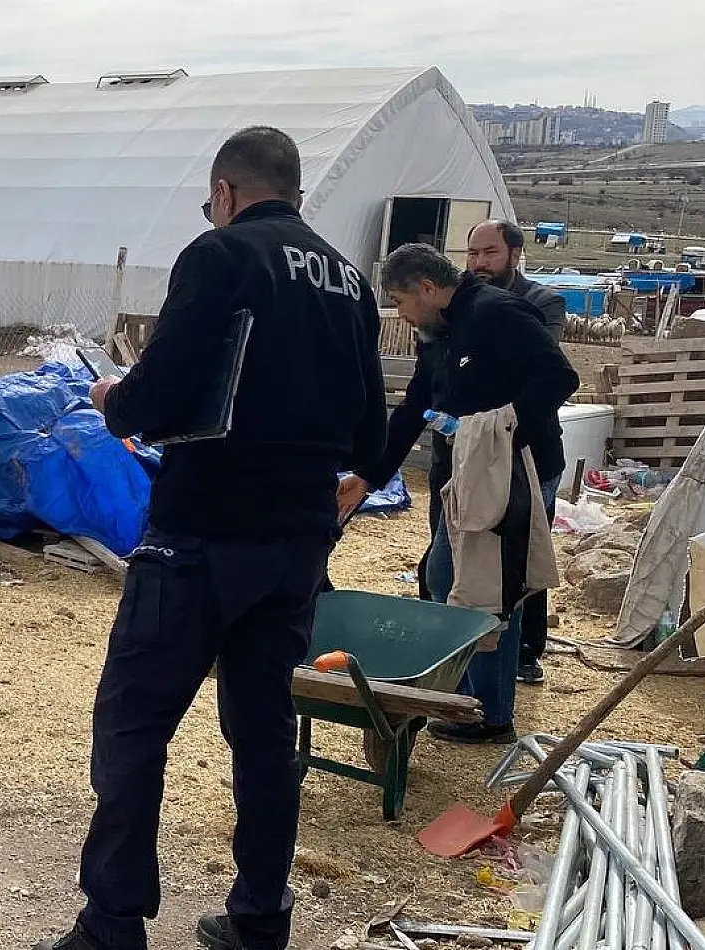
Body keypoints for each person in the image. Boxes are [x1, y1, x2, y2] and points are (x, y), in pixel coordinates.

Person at [36, 126, 387, 950]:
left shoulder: (222, 255)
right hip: (296, 543)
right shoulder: (349, 282)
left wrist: (114, 398)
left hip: (201, 533)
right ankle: (260, 917)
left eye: (210, 200)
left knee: (133, 723)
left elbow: (163, 394)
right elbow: (371, 427)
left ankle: (112, 924)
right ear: (294, 191)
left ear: (227, 192)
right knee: (263, 734)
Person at [337, 244, 577, 745]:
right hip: (463, 477)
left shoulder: (496, 314)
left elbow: (558, 377)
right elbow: (414, 406)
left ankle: (489, 712)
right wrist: (368, 474)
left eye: (401, 301)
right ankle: (469, 696)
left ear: (427, 287)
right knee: (450, 578)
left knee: (490, 587)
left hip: (508, 472)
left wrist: (501, 434)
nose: (401, 313)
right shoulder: (438, 332)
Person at [466, 220, 567, 685]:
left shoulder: (543, 303)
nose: (479, 264)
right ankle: (476, 647)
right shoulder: (466, 303)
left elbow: (541, 374)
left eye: (489, 253)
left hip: (530, 451)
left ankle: (527, 648)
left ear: (514, 253)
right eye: (472, 254)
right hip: (478, 454)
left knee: (526, 554)